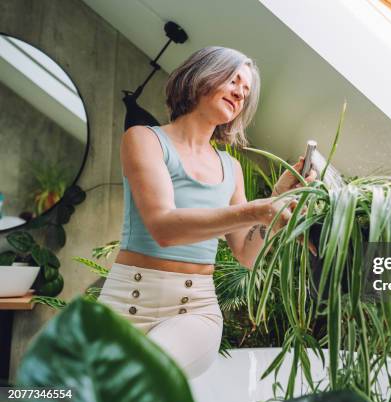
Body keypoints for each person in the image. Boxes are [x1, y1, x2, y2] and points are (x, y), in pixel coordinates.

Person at [98, 46, 316, 379]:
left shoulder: (231, 168)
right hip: (122, 301)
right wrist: (258, 210)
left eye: (245, 92)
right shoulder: (144, 139)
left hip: (194, 310)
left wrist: (276, 200)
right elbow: (163, 228)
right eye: (234, 81)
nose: (240, 94)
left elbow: (246, 253)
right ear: (201, 77)